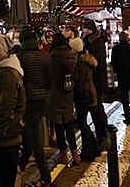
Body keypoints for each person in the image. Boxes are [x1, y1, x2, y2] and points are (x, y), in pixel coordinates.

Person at [0, 34, 26, 187]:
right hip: (7, 137)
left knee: (5, 181)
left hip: (6, 140)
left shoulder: (6, 75)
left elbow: (5, 109)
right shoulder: (4, 72)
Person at [16, 27, 52, 186]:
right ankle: (22, 163)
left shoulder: (19, 57)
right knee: (31, 133)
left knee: (35, 139)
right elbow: (50, 80)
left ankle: (46, 177)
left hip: (28, 100)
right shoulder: (44, 56)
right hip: (43, 100)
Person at [48, 33, 80, 165]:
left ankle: (63, 154)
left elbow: (50, 77)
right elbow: (76, 77)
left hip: (55, 95)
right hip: (68, 95)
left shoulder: (53, 58)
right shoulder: (72, 57)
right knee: (69, 124)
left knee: (59, 125)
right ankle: (74, 153)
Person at [69, 37, 100, 162]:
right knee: (83, 123)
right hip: (88, 96)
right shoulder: (86, 62)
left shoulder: (80, 65)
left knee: (82, 123)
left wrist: (75, 93)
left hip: (83, 97)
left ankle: (89, 152)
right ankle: (93, 148)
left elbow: (80, 84)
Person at [81, 20, 109, 149]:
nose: (83, 30)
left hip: (96, 81)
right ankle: (101, 134)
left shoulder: (97, 42)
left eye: (85, 28)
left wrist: (86, 58)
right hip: (90, 81)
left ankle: (103, 135)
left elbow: (98, 62)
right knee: (95, 108)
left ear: (90, 29)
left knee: (97, 108)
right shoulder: (87, 40)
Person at [111, 32, 130, 125]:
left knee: (125, 98)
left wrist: (118, 71)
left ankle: (127, 118)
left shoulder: (115, 49)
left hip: (122, 77)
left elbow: (113, 63)